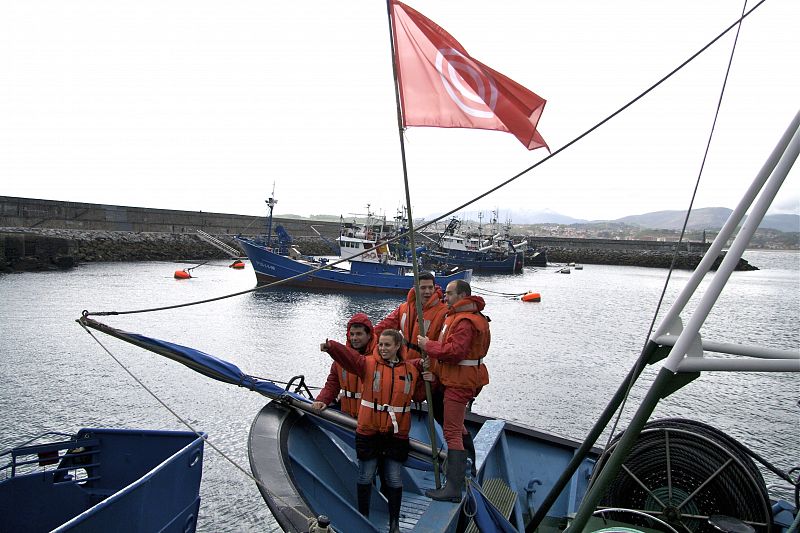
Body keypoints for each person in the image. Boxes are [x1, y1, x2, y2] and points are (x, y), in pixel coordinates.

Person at [320, 329, 431, 533]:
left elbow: (418, 396)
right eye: (380, 344)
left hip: (396, 435)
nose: (382, 348)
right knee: (365, 476)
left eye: (387, 345)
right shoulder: (368, 365)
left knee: (394, 479)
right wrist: (332, 347)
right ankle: (363, 518)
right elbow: (349, 358)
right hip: (369, 431)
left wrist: (427, 378)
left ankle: (394, 524)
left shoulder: (410, 370)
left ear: (398, 346)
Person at [417, 279, 490, 502]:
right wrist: (435, 371)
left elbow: (456, 352)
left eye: (448, 293)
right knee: (457, 427)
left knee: (451, 432)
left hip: (460, 383)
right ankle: (469, 466)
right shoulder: (458, 317)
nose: (444, 297)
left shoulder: (465, 321)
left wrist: (428, 345)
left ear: (461, 295)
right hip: (456, 379)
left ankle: (453, 488)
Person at [373, 271, 448, 361]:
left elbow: (444, 345)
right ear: (415, 288)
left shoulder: (443, 312)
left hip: (426, 366)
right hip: (405, 363)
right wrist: (366, 337)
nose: (427, 291)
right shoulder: (404, 308)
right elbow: (384, 326)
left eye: (430, 287)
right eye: (423, 288)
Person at [311, 313, 376, 416]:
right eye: (352, 334)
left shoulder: (379, 358)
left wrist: (333, 348)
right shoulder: (340, 359)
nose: (354, 338)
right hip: (346, 417)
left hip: (370, 419)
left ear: (369, 335)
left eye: (359, 334)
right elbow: (333, 383)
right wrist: (322, 399)